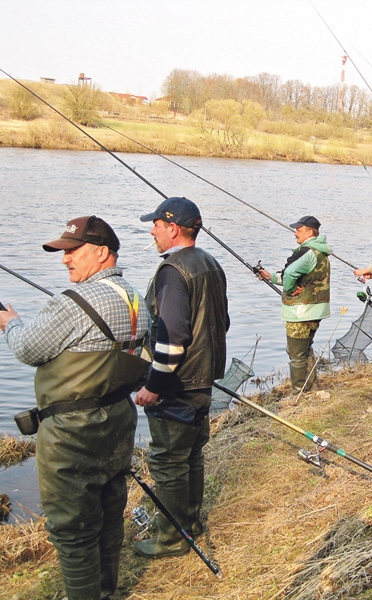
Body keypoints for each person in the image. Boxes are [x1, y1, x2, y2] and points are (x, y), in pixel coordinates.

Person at [0, 216, 152, 600]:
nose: (65, 260)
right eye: (63, 252)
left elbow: (27, 349)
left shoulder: (71, 303)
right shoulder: (136, 298)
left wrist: (12, 324)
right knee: (109, 512)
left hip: (71, 433)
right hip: (117, 422)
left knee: (72, 528)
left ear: (102, 253)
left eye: (73, 251)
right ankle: (106, 591)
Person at [134, 197, 229, 559]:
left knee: (168, 462)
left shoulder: (172, 271)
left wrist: (152, 386)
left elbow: (173, 337)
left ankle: (172, 539)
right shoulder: (210, 263)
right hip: (204, 379)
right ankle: (190, 523)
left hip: (177, 383)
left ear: (172, 228)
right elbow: (222, 322)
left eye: (155, 225)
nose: (152, 231)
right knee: (191, 457)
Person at [258, 216, 332, 395]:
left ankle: (297, 392)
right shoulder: (319, 251)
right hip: (316, 308)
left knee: (296, 353)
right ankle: (312, 388)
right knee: (305, 350)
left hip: (301, 311)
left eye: (299, 230)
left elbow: (291, 273)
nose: (295, 233)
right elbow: (295, 274)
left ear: (310, 232)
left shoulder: (307, 251)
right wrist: (271, 277)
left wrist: (290, 290)